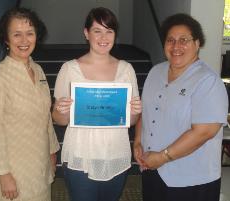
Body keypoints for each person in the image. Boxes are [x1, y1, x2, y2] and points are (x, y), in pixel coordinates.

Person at [133, 13, 229, 201]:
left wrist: (162, 157)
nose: (176, 46)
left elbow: (204, 132)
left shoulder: (208, 81)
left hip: (191, 179)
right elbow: (146, 112)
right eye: (170, 40)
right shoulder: (156, 71)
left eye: (184, 40)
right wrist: (138, 142)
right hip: (152, 169)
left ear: (197, 43)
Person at [52, 7, 141, 201]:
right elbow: (58, 119)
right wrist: (61, 110)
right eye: (97, 30)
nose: (103, 37)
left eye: (109, 31)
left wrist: (134, 112)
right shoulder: (69, 69)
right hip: (81, 153)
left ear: (115, 35)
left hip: (116, 151)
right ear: (86, 33)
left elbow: (131, 121)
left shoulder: (127, 69)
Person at [0, 7, 60, 201]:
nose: (24, 41)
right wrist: (4, 174)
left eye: (29, 34)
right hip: (14, 169)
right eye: (17, 35)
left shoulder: (38, 70)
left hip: (39, 163)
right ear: (6, 39)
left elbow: (45, 116)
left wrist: (51, 150)